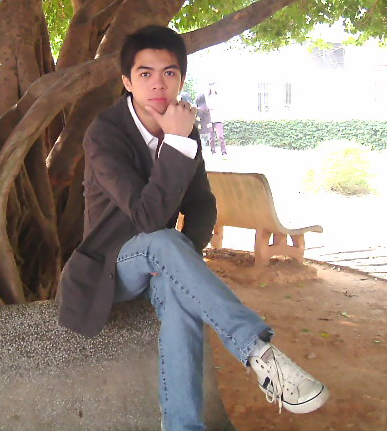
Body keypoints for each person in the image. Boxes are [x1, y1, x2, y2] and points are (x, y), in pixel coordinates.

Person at [58, 25, 329, 430]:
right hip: (110, 267)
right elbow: (146, 218)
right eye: (145, 73)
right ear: (127, 81)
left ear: (181, 80)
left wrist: (179, 260)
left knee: (178, 294)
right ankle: (258, 352)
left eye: (169, 73)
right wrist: (177, 143)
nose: (158, 84)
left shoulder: (185, 129)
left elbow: (203, 206)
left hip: (160, 261)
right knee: (160, 241)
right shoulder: (106, 133)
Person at [207, 83, 227, 155]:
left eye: (214, 87)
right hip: (210, 119)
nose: (213, 88)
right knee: (211, 137)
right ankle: (213, 151)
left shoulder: (219, 97)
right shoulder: (208, 97)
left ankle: (223, 151)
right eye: (211, 87)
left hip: (218, 119)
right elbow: (207, 107)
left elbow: (221, 107)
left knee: (220, 136)